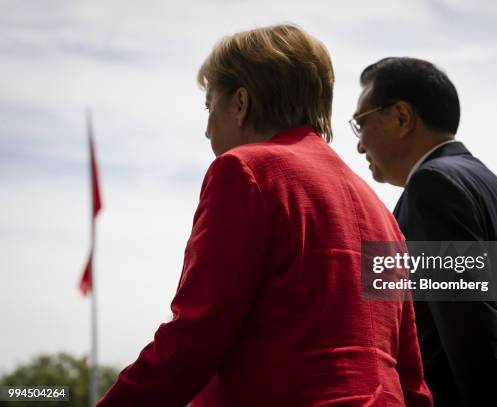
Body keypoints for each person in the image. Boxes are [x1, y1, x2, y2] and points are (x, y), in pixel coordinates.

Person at [96, 26, 432, 406]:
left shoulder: (245, 171)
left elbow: (196, 336)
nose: (207, 129)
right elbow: (409, 372)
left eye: (210, 107)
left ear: (240, 102)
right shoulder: (378, 209)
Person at [352, 57, 497, 407]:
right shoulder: (492, 187)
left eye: (360, 123)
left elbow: (473, 334)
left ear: (401, 117)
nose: (360, 145)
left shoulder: (433, 188)